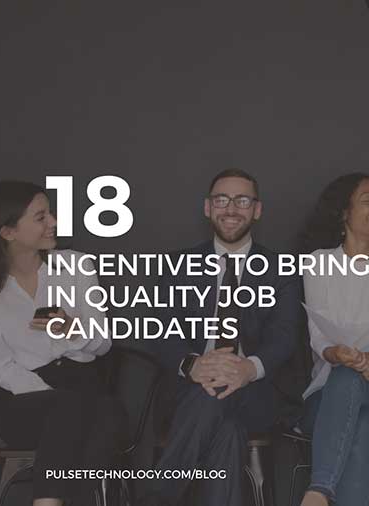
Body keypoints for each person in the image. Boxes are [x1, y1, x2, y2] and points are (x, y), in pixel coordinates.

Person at [141, 168, 303, 506]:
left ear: (257, 210)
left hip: (255, 394)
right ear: (207, 207)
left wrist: (248, 369)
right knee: (226, 434)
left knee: (215, 393)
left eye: (242, 200)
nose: (231, 209)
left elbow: (285, 337)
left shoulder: (281, 269)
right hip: (187, 391)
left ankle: (156, 498)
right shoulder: (178, 265)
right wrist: (193, 365)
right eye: (222, 200)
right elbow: (158, 330)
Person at [0, 181, 124, 506]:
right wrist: (50, 394)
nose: (53, 222)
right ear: (7, 231)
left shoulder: (77, 266)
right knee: (84, 412)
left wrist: (72, 329)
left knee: (97, 412)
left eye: (50, 213)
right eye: (41, 217)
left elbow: (104, 344)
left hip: (84, 384)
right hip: (23, 399)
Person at [297, 173, 369, 506]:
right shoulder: (317, 262)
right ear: (343, 213)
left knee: (354, 381)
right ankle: (321, 493)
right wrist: (335, 352)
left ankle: (318, 491)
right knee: (362, 424)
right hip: (325, 394)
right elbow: (318, 335)